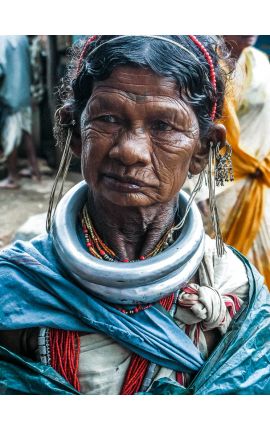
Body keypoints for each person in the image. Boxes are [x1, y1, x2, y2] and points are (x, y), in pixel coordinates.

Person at [0, 36, 269, 395]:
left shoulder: (235, 290)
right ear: (74, 133)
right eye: (108, 118)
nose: (130, 151)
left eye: (163, 126)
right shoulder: (20, 286)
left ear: (205, 149)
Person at [192, 36, 270, 289]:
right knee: (218, 268)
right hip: (214, 183)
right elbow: (197, 133)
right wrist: (197, 188)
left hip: (257, 181)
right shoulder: (201, 61)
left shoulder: (260, 63)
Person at [0, 35, 40, 189]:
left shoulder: (3, 39)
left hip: (10, 96)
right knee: (26, 132)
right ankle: (35, 170)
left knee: (9, 137)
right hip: (24, 94)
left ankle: (12, 178)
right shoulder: (22, 38)